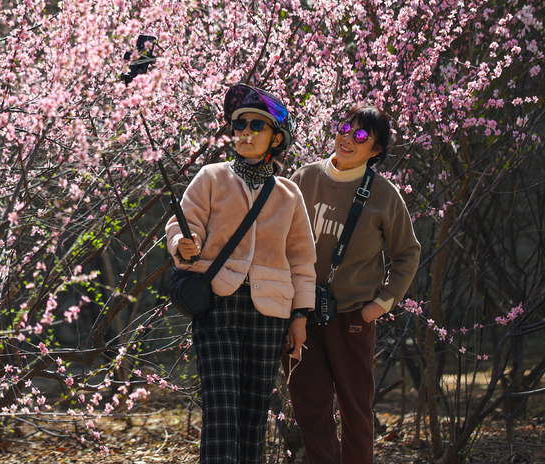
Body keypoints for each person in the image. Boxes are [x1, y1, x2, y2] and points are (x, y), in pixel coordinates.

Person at [166, 84, 316, 464]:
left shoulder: (289, 194)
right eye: (238, 125)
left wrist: (300, 317)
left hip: (271, 312)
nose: (245, 132)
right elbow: (182, 225)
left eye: (255, 125)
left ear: (275, 137)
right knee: (221, 413)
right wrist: (183, 243)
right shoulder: (211, 177)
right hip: (217, 303)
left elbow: (302, 261)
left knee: (252, 420)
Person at [283, 104, 421, 464]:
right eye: (345, 128)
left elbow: (407, 253)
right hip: (301, 314)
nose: (348, 137)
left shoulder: (384, 195)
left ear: (375, 150)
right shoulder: (304, 179)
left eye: (360, 135)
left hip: (352, 317)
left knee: (355, 410)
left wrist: (383, 303)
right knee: (309, 408)